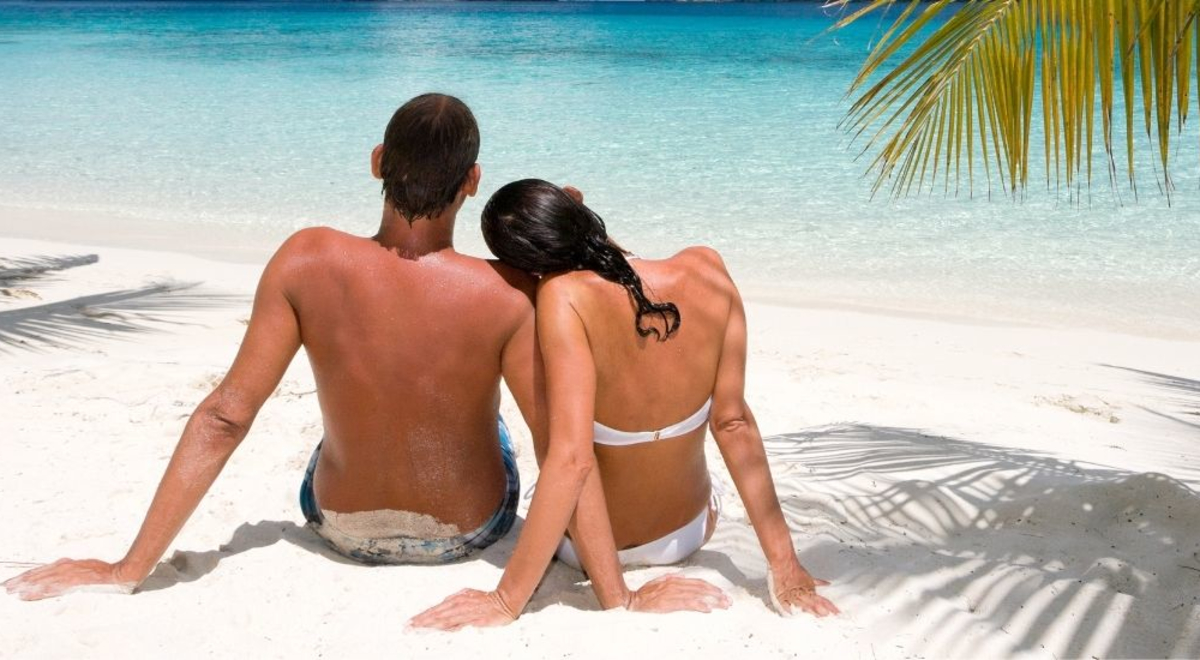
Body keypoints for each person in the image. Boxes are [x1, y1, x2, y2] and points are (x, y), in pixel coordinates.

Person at [3, 93, 546, 598]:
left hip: (342, 526)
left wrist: (128, 568)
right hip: (467, 532)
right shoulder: (507, 291)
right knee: (489, 419)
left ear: (378, 161)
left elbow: (225, 417)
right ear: (472, 181)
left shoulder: (305, 258)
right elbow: (558, 445)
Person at [410, 179, 839, 630]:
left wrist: (507, 600)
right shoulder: (707, 268)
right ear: (579, 214)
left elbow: (572, 460)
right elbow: (733, 425)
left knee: (554, 435)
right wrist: (784, 564)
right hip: (688, 533)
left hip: (586, 553)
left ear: (529, 268)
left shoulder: (563, 297)